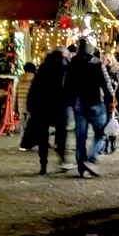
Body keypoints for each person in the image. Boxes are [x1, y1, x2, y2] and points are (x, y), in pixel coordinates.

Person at [65, 38, 115, 177]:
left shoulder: (73, 63)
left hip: (79, 103)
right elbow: (106, 84)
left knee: (80, 137)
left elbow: (67, 84)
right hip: (96, 102)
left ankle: (81, 166)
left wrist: (70, 101)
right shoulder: (97, 63)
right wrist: (111, 100)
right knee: (101, 133)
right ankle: (91, 159)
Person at [25, 46, 69, 174]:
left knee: (42, 137)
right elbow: (67, 88)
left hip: (41, 107)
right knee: (62, 132)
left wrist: (30, 105)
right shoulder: (63, 69)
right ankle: (61, 155)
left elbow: (34, 89)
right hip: (58, 106)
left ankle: (43, 163)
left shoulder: (43, 69)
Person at [15, 62, 37, 149]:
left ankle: (22, 142)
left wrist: (15, 107)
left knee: (22, 125)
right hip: (30, 106)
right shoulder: (34, 80)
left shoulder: (20, 80)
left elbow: (16, 94)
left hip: (21, 106)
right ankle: (27, 142)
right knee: (29, 125)